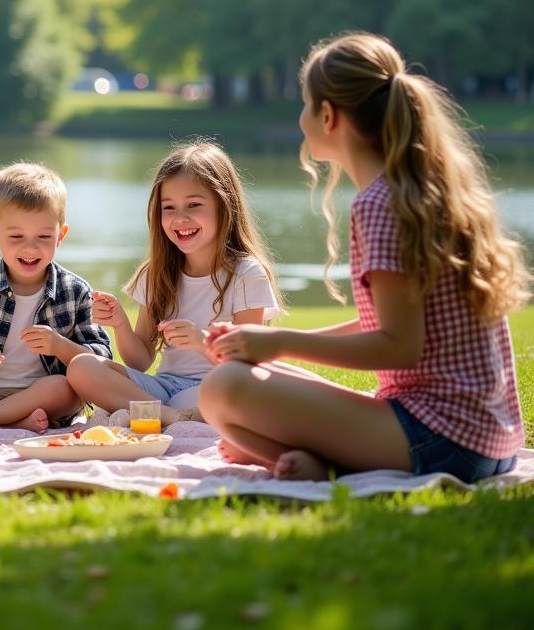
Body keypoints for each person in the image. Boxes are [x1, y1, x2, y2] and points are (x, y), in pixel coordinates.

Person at [199, 32, 530, 482]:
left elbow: (399, 344)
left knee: (222, 387)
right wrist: (266, 343)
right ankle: (316, 460)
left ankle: (320, 464)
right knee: (255, 368)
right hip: (487, 441)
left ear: (328, 116)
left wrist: (279, 341)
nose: (301, 116)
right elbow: (398, 322)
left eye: (304, 103)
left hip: (442, 440)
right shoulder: (421, 192)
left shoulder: (380, 204)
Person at [67, 141, 285, 427]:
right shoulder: (156, 273)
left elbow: (247, 362)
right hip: (163, 388)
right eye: (169, 208)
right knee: (81, 367)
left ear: (224, 205)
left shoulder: (246, 274)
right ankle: (168, 417)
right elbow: (140, 361)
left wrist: (201, 341)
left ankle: (145, 412)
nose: (180, 219)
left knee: (231, 394)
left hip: (215, 384)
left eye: (194, 205)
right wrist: (120, 324)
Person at [0, 162, 112, 432]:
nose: (30, 247)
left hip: (43, 393)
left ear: (60, 235)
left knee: (63, 388)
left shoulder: (74, 291)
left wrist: (60, 346)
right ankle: (13, 421)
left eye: (43, 236)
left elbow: (101, 359)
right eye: (16, 236)